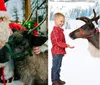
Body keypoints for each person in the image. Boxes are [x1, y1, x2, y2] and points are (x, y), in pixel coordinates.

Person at [51, 13, 74, 85]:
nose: (62, 23)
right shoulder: (55, 31)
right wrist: (66, 45)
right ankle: (54, 81)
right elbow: (57, 42)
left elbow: (61, 42)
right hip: (56, 52)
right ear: (55, 20)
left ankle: (57, 79)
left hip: (60, 52)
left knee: (58, 67)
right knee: (55, 67)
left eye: (63, 21)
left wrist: (63, 51)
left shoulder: (60, 31)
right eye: (61, 21)